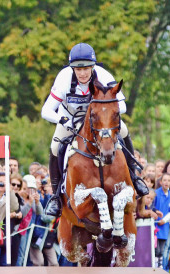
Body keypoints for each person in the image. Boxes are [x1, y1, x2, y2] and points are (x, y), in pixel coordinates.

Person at [40, 43, 148, 217]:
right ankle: (55, 196)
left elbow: (123, 106)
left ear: (93, 66)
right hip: (70, 119)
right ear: (72, 69)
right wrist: (63, 120)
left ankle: (134, 178)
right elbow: (46, 111)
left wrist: (106, 114)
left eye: (86, 68)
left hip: (97, 120)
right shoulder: (64, 79)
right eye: (77, 69)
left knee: (124, 131)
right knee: (55, 147)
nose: (82, 73)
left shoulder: (104, 76)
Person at [153, 173, 170, 270]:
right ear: (161, 182)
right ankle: (155, 266)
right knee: (156, 248)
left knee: (162, 248)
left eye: (169, 180)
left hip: (164, 225)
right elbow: (153, 208)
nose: (166, 182)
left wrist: (165, 220)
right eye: (164, 180)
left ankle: (161, 266)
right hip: (156, 225)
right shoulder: (156, 193)